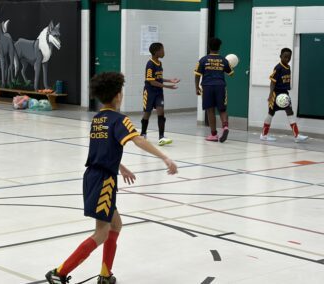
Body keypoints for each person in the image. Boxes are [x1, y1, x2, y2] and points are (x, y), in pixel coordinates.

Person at [45, 72, 178, 284]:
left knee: (116, 225)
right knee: (102, 232)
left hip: (94, 176)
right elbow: (139, 141)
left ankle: (106, 275)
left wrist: (121, 167)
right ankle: (59, 272)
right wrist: (165, 157)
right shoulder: (120, 120)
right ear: (118, 95)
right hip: (104, 181)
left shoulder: (98, 119)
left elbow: (103, 150)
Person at [260, 47, 308, 143]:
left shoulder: (288, 67)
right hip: (276, 94)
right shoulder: (278, 68)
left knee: (289, 111)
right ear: (280, 56)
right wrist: (270, 95)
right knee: (271, 113)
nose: (287, 59)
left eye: (289, 57)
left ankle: (296, 135)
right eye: (285, 57)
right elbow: (273, 82)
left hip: (284, 93)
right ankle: (264, 135)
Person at [194, 37, 233, 142]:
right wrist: (231, 65)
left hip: (207, 87)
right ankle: (225, 127)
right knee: (222, 109)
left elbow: (197, 75)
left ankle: (214, 134)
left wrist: (197, 87)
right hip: (220, 86)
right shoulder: (223, 60)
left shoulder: (203, 60)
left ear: (208, 46)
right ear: (219, 47)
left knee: (210, 110)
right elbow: (231, 73)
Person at [141, 42, 180, 146]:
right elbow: (151, 81)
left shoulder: (160, 63)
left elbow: (158, 78)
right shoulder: (150, 64)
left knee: (161, 112)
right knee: (147, 113)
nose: (164, 52)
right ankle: (143, 133)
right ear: (156, 52)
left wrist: (169, 80)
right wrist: (167, 87)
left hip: (158, 93)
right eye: (162, 50)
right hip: (149, 92)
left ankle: (161, 137)